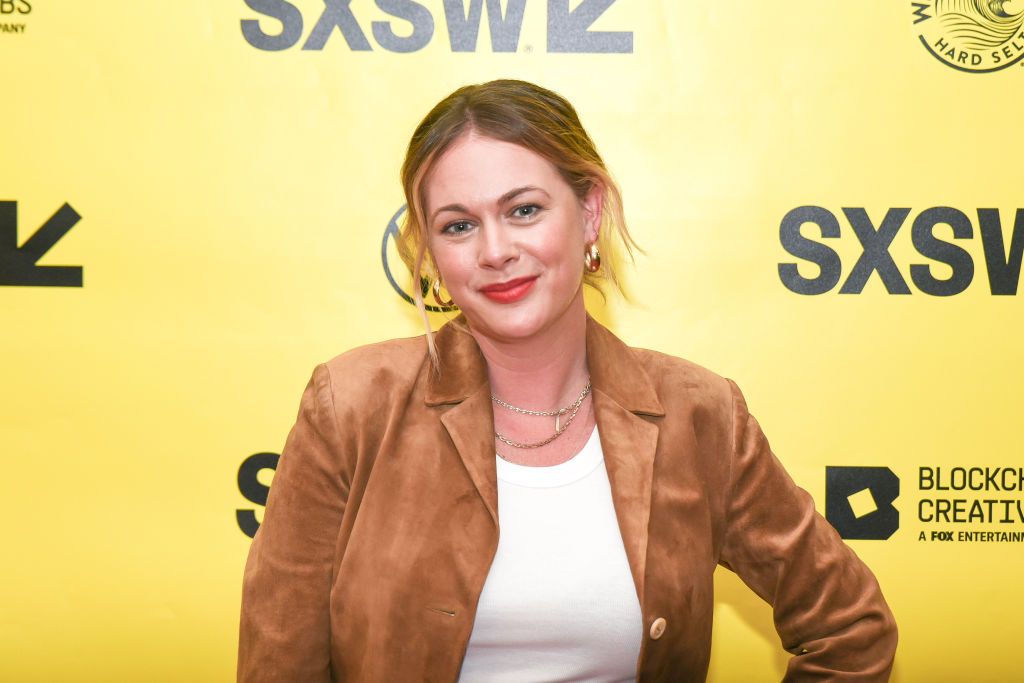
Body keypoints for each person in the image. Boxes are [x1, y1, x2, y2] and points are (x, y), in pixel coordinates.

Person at [237, 79, 897, 682]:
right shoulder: (350, 405)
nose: (495, 250)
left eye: (523, 210)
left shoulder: (699, 413)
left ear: (587, 213)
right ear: (432, 254)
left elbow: (851, 629)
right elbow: (278, 666)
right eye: (459, 225)